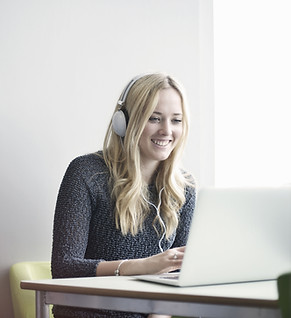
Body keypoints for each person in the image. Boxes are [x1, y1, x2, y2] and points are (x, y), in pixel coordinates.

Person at [51, 72, 196, 318]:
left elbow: (183, 273)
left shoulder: (184, 188)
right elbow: (64, 267)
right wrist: (143, 266)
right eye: (154, 118)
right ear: (124, 122)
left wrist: (159, 313)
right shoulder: (87, 173)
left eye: (176, 120)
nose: (166, 130)